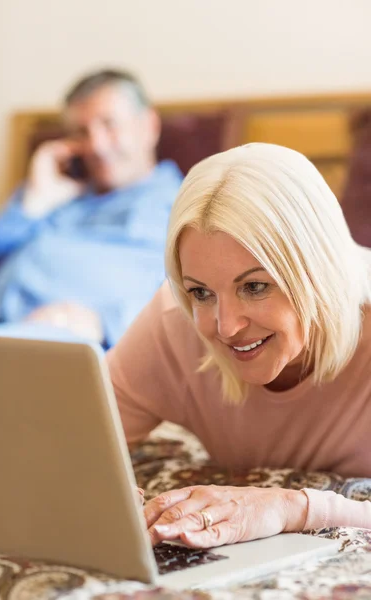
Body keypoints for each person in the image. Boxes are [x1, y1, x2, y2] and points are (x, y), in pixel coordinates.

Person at [107, 142, 371, 549]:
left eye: (254, 286)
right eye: (200, 293)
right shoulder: (173, 323)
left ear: (316, 270)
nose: (226, 327)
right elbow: (61, 448)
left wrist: (292, 508)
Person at [0, 69, 182, 345]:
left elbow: (193, 302)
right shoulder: (56, 196)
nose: (96, 145)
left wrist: (104, 323)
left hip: (55, 347)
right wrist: (33, 203)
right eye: (82, 132)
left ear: (149, 126)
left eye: (110, 124)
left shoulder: (182, 206)